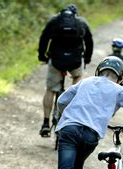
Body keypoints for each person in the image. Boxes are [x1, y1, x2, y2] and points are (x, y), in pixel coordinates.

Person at [38, 4, 93, 137]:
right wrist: (86, 59)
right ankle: (71, 114)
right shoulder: (81, 22)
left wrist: (42, 56)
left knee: (50, 89)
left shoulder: (54, 21)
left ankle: (46, 123)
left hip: (56, 60)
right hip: (74, 60)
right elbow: (89, 42)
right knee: (77, 79)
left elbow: (44, 38)